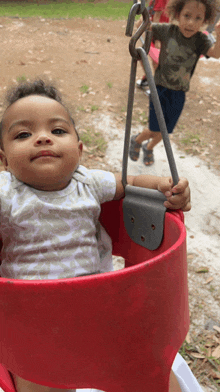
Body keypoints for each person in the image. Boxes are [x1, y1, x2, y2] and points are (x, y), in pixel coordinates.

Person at [0, 79, 190, 392]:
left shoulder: (87, 181)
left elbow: (128, 183)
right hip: (31, 321)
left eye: (57, 131)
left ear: (78, 150)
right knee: (39, 379)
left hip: (95, 308)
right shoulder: (7, 194)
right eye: (23, 134)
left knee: (153, 370)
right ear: (4, 160)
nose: (43, 138)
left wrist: (165, 188)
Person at [130, 0, 220, 166]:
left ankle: (148, 148)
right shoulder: (167, 30)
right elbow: (144, 27)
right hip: (160, 88)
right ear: (178, 14)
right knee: (154, 128)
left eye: (198, 18)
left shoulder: (200, 40)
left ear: (205, 20)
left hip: (179, 92)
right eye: (187, 16)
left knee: (166, 131)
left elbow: (215, 54)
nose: (191, 23)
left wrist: (219, 35)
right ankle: (137, 140)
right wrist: (140, 20)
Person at [136, 0, 170, 90]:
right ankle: (149, 79)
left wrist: (157, 38)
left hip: (160, 34)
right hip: (155, 33)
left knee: (156, 62)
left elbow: (157, 17)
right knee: (141, 55)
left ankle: (160, 87)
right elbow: (151, 11)